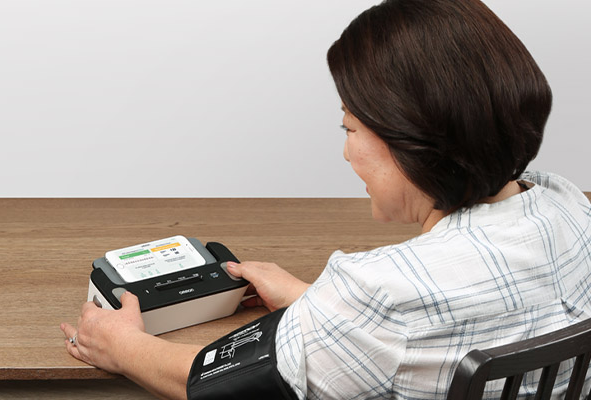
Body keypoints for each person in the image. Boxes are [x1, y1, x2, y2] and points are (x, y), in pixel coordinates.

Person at [61, 0, 591, 398]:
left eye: (350, 128)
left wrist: (121, 345)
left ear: (410, 139)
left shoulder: (382, 290)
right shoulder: (568, 207)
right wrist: (312, 300)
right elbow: (447, 321)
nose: (345, 151)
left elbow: (219, 382)